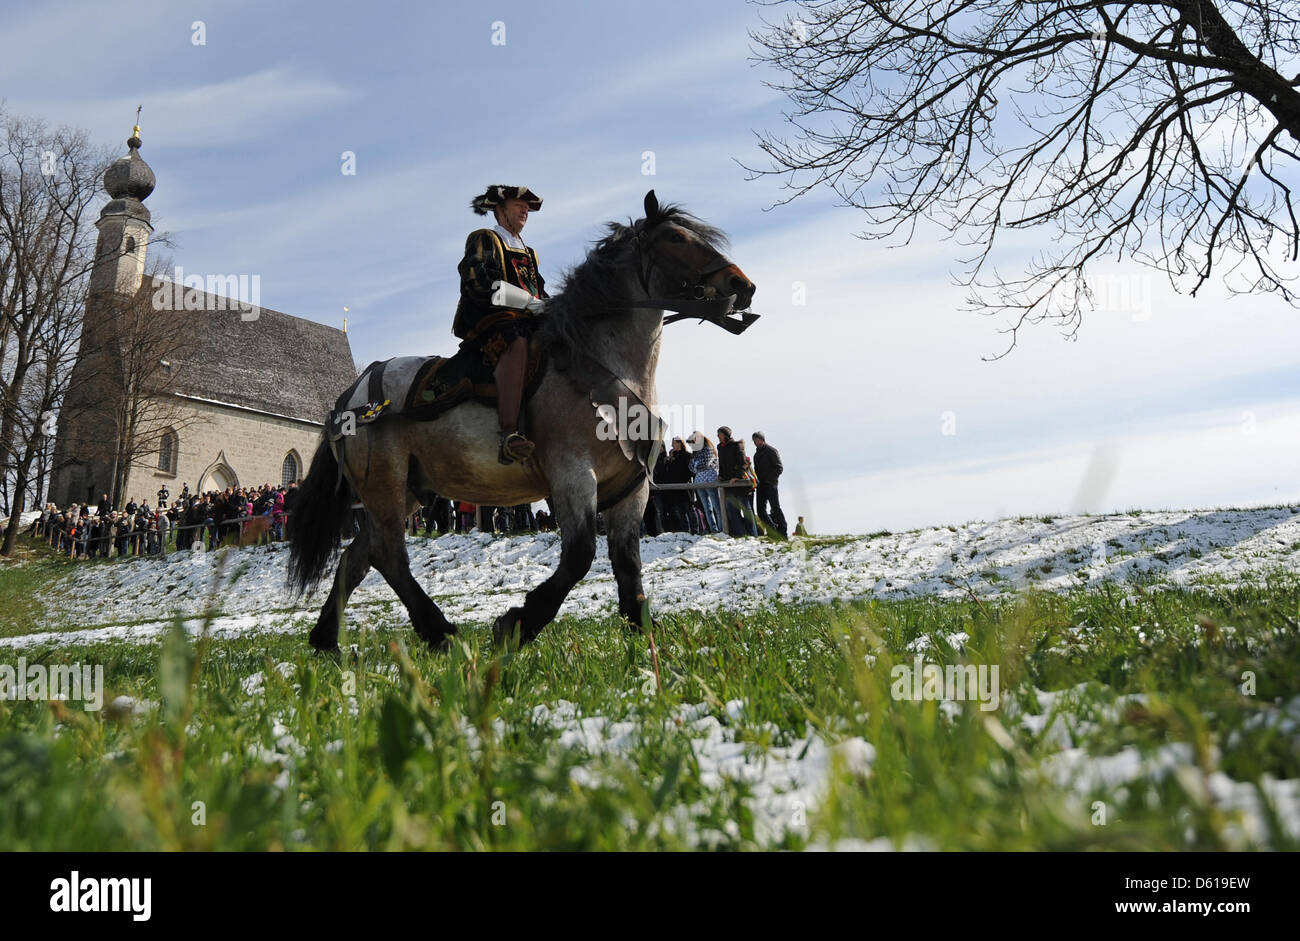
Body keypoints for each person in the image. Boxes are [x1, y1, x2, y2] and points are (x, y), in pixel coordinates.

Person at [453, 184, 547, 465]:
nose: (525, 210)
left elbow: (540, 292)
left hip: (528, 319)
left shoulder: (530, 253)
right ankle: (509, 433)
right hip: (491, 321)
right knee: (515, 341)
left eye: (527, 207)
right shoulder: (485, 239)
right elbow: (478, 284)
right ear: (500, 210)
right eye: (519, 205)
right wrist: (529, 303)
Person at [751, 432, 788, 538]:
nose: (755, 442)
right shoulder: (756, 455)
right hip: (760, 485)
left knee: (775, 508)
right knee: (761, 511)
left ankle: (783, 532)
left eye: (756, 439)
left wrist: (769, 480)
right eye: (753, 440)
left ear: (762, 439)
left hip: (771, 484)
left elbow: (779, 467)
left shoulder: (771, 451)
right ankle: (773, 531)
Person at [687, 431, 722, 533]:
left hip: (710, 480)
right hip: (699, 482)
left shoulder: (708, 449)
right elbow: (690, 467)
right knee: (707, 508)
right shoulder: (695, 452)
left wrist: (696, 465)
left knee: (716, 507)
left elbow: (705, 464)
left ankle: (721, 529)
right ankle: (713, 529)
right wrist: (696, 465)